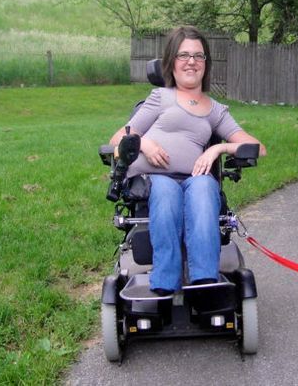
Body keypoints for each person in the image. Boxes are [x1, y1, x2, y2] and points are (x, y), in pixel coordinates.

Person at [110, 26, 266, 296]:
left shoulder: (216, 110)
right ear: (171, 62)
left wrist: (218, 149)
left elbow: (258, 148)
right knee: (167, 191)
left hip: (193, 179)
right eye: (184, 55)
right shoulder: (160, 97)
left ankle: (205, 281)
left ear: (206, 64)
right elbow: (117, 140)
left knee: (206, 187)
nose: (191, 61)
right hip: (153, 178)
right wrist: (144, 142)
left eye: (198, 55)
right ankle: (164, 282)